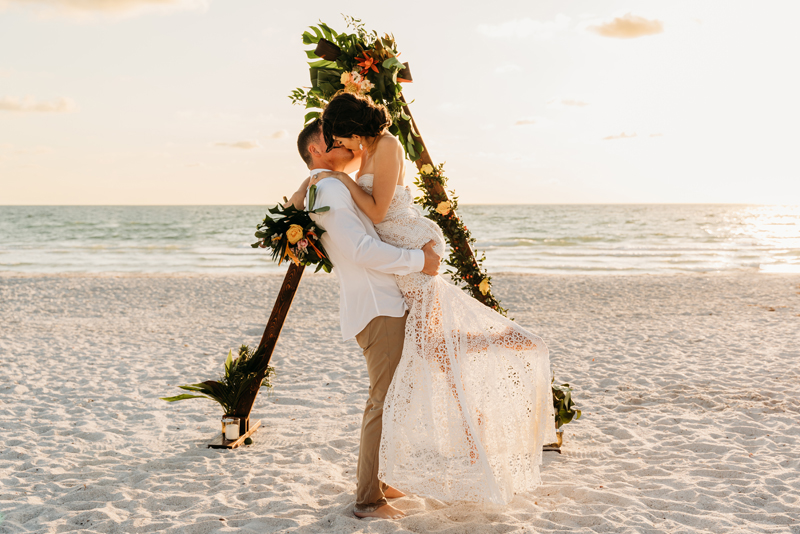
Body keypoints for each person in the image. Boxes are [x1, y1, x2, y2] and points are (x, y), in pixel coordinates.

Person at [308, 92, 557, 506]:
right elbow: (325, 178)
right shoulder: (363, 151)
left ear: (354, 131)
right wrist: (314, 182)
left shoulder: (386, 145)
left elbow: (375, 211)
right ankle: (498, 348)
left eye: (341, 140)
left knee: (440, 355)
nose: (341, 148)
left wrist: (342, 181)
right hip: (406, 265)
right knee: (437, 352)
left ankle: (507, 346)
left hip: (413, 252)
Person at [290, 120, 442, 519]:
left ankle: (381, 479)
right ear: (318, 151)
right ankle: (368, 500)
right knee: (383, 401)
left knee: (392, 398)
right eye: (333, 138)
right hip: (378, 306)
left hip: (375, 303)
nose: (343, 139)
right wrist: (419, 260)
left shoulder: (323, 187)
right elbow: (359, 249)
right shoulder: (331, 189)